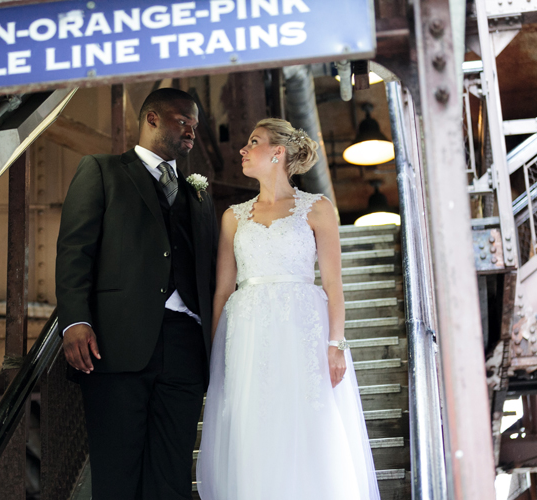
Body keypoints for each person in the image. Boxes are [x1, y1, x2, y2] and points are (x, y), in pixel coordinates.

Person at [196, 118, 380, 499]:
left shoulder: (317, 208)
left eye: (253, 142)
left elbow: (332, 283)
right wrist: (215, 353)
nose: (243, 150)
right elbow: (221, 291)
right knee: (253, 427)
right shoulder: (233, 216)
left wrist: (336, 343)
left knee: (307, 422)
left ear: (277, 153)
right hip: (246, 332)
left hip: (303, 328)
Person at [56, 88, 218, 500]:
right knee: (117, 471)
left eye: (195, 126)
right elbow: (76, 249)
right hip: (116, 341)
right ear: (152, 118)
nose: (191, 133)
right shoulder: (101, 171)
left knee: (173, 473)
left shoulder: (197, 193)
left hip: (185, 344)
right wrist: (75, 320)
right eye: (184, 121)